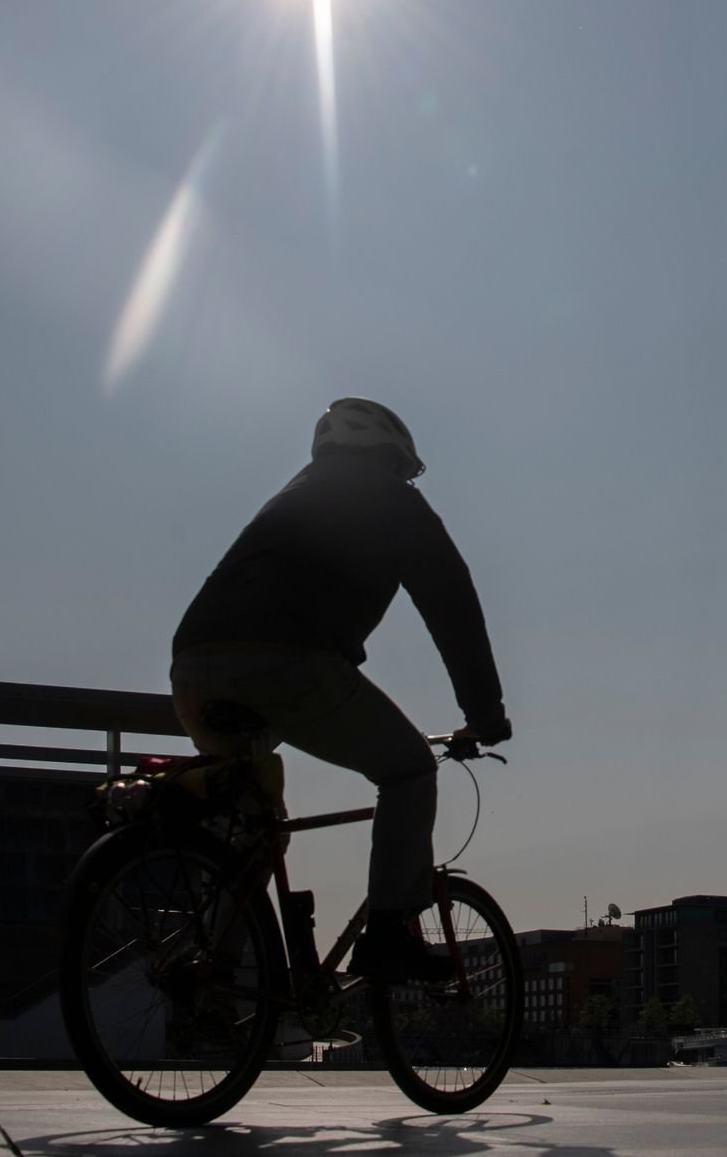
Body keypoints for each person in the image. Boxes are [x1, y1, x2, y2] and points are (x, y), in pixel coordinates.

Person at [170, 396, 511, 981]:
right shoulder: (393, 499)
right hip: (287, 663)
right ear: (388, 457)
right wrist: (485, 714)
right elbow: (452, 605)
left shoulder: (288, 496)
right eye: (402, 467)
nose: (404, 478)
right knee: (407, 770)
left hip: (194, 666)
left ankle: (212, 979)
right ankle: (388, 936)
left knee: (254, 829)